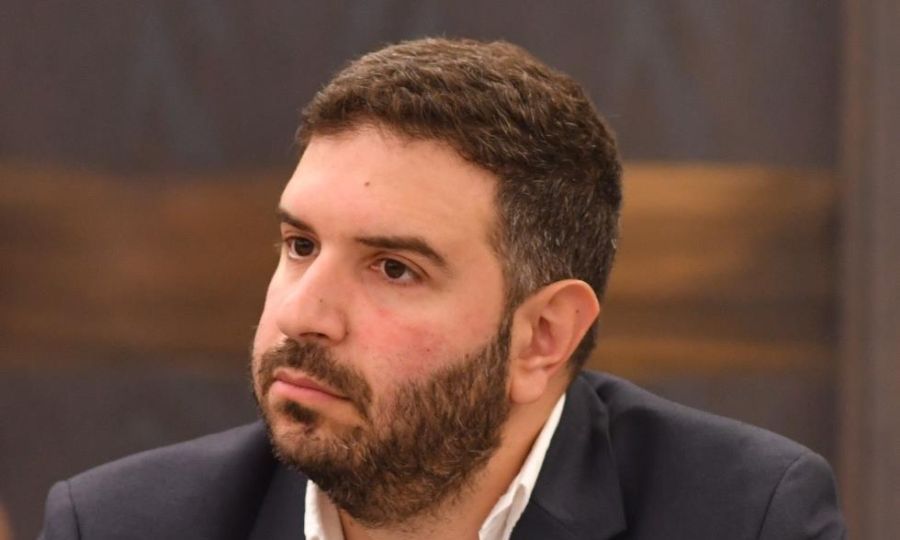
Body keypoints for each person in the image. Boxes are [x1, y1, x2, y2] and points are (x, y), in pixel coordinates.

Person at [40, 37, 845, 540]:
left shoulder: (745, 517)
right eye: (300, 245)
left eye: (395, 268)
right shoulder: (117, 525)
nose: (301, 313)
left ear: (543, 337)